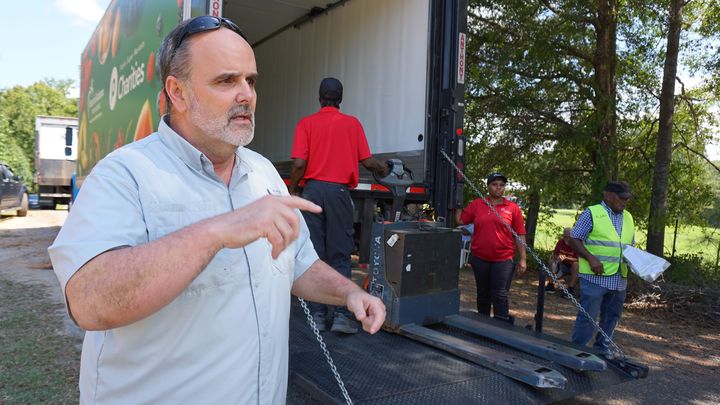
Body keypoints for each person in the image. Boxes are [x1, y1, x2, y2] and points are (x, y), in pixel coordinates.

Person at [48, 16, 385, 404]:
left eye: (251, 81)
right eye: (226, 81)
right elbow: (89, 301)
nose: (247, 95)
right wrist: (217, 231)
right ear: (177, 92)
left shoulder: (264, 176)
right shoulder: (124, 175)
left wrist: (347, 294)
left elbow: (300, 264)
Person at [288, 77, 388, 334]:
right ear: (341, 100)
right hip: (339, 193)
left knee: (316, 253)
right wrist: (385, 169)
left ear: (319, 97)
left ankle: (318, 316)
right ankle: (344, 316)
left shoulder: (306, 124)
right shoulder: (352, 124)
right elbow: (367, 162)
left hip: (312, 193)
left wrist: (294, 187)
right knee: (340, 253)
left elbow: (299, 163)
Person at [569, 181, 635, 357]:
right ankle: (578, 351)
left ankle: (602, 349)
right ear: (608, 195)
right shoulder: (592, 213)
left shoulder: (628, 217)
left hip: (619, 278)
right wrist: (590, 258)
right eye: (621, 198)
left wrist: (639, 260)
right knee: (588, 317)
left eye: (627, 199)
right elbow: (574, 239)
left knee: (612, 317)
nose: (625, 202)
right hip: (595, 278)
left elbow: (629, 245)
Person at [456, 172, 527, 324]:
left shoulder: (512, 208)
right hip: (480, 258)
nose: (498, 188)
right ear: (488, 186)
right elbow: (460, 220)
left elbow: (520, 234)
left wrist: (523, 258)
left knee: (500, 294)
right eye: (494, 185)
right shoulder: (477, 204)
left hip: (503, 259)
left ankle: (500, 326)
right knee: (483, 294)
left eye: (501, 185)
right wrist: (456, 202)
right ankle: (483, 324)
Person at [545, 227, 579, 298]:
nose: (567, 239)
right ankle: (550, 285)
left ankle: (570, 289)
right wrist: (557, 258)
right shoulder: (560, 242)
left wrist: (566, 258)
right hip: (561, 265)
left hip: (572, 266)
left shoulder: (577, 244)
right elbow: (555, 254)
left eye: (569, 237)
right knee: (551, 261)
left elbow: (578, 259)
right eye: (565, 236)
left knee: (576, 265)